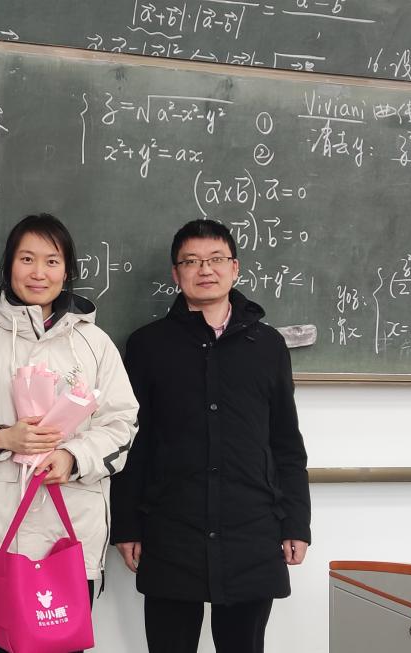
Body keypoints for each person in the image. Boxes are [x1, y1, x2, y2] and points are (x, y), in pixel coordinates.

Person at [0, 213, 139, 653]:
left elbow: (122, 423)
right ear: (9, 266)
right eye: (26, 259)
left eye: (52, 261)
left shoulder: (95, 344)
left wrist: (73, 457)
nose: (38, 272)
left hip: (69, 537)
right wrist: (0, 437)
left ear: (67, 271)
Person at [110, 219, 311, 653]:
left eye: (216, 259)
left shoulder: (267, 345)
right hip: (171, 527)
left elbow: (285, 443)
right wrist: (126, 525)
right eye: (191, 261)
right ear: (176, 273)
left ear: (235, 268)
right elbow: (132, 443)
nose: (205, 269)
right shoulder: (147, 345)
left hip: (251, 528)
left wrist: (297, 522)